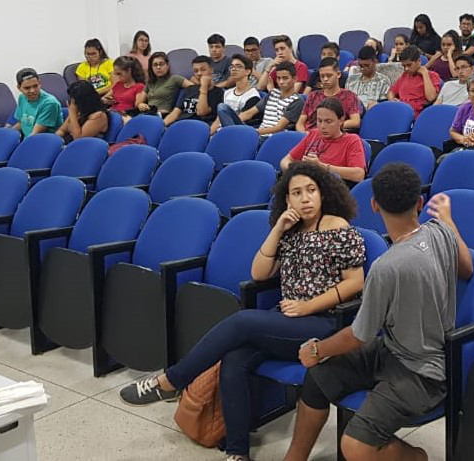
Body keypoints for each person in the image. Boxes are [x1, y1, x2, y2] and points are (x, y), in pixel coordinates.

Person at [118, 161, 366, 461]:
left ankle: (171, 380)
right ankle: (237, 453)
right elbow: (259, 273)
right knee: (234, 359)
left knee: (242, 322)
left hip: (323, 324)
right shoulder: (290, 230)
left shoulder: (337, 227)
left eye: (311, 190)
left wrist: (306, 306)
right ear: (287, 200)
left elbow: (355, 283)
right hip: (285, 321)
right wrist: (278, 229)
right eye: (296, 193)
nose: (305, 198)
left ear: (323, 193)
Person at [283, 163, 473, 461]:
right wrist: (449, 221)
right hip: (393, 351)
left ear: (374, 205)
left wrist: (317, 350)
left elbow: (359, 335)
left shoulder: (387, 267)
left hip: (424, 375)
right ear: (420, 203)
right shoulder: (441, 232)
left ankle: (415, 458)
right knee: (318, 377)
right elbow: (468, 267)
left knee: (355, 445)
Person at [281, 98, 367, 183]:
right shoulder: (314, 134)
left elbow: (359, 175)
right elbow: (285, 161)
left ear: (341, 120)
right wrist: (296, 171)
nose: (322, 126)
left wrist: (322, 167)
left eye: (328, 121)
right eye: (319, 121)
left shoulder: (352, 140)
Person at [296, 57, 361, 131]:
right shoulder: (313, 95)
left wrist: (331, 126)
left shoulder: (349, 96)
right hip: (309, 136)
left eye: (329, 75)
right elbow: (300, 123)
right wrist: (304, 134)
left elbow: (355, 121)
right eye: (322, 76)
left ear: (338, 74)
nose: (325, 79)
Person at [163, 56, 223, 127]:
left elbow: (201, 112)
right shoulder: (189, 89)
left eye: (203, 70)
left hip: (200, 126)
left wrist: (204, 87)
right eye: (195, 71)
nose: (199, 73)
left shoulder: (218, 92)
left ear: (211, 70)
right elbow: (175, 113)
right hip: (181, 124)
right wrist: (161, 126)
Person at [388, 46, 441, 118]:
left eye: (409, 65)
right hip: (400, 111)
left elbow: (431, 97)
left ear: (419, 61)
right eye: (404, 66)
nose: (406, 69)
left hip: (417, 115)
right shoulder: (405, 75)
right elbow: (391, 92)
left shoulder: (432, 76)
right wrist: (392, 100)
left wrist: (425, 74)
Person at [255, 63, 306, 136]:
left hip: (273, 137)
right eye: (278, 78)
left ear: (294, 79)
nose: (281, 82)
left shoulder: (297, 101)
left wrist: (255, 132)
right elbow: (250, 113)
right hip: (259, 134)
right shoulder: (272, 93)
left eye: (285, 78)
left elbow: (279, 127)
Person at [214, 54, 262, 132]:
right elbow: (218, 120)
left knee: (222, 107)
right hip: (221, 131)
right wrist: (209, 135)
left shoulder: (253, 96)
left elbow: (241, 120)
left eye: (238, 66)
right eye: (232, 67)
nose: (233, 69)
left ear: (248, 71)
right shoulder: (227, 93)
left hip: (239, 131)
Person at [10, 68, 63, 137]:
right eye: (27, 88)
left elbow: (35, 135)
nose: (32, 91)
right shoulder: (22, 97)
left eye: (35, 86)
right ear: (19, 88)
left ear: (39, 83)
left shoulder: (50, 103)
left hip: (42, 142)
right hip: (28, 139)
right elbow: (21, 123)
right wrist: (7, 135)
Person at [136, 51, 187, 116]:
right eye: (155, 65)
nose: (158, 67)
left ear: (167, 66)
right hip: (148, 113)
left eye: (161, 64)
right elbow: (139, 102)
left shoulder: (175, 79)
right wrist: (140, 105)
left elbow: (194, 88)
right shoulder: (150, 82)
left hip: (163, 115)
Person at [346, 46, 391, 111]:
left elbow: (385, 105)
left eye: (367, 65)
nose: (363, 69)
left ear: (375, 62)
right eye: (360, 66)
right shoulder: (351, 80)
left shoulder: (383, 81)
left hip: (373, 114)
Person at [103, 56, 146, 121]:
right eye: (116, 74)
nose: (118, 77)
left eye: (119, 74)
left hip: (125, 116)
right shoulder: (118, 84)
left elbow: (138, 106)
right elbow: (103, 98)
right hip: (112, 113)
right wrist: (106, 100)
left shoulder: (139, 86)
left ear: (129, 71)